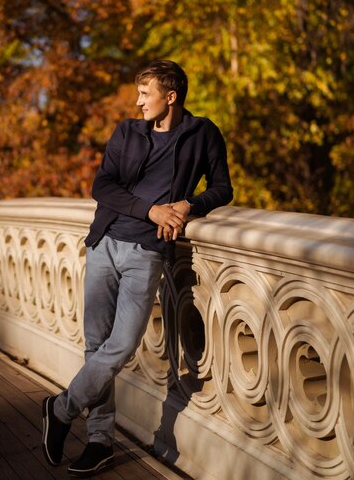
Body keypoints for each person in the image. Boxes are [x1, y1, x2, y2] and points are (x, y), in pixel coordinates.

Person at [42, 60, 233, 476]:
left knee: (122, 345)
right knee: (97, 346)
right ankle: (99, 441)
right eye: (139, 93)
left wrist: (189, 204)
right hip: (105, 244)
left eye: (145, 94)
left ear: (171, 96)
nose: (138, 101)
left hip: (147, 252)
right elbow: (102, 186)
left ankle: (60, 409)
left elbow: (222, 187)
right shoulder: (127, 132)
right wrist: (150, 209)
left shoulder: (203, 134)